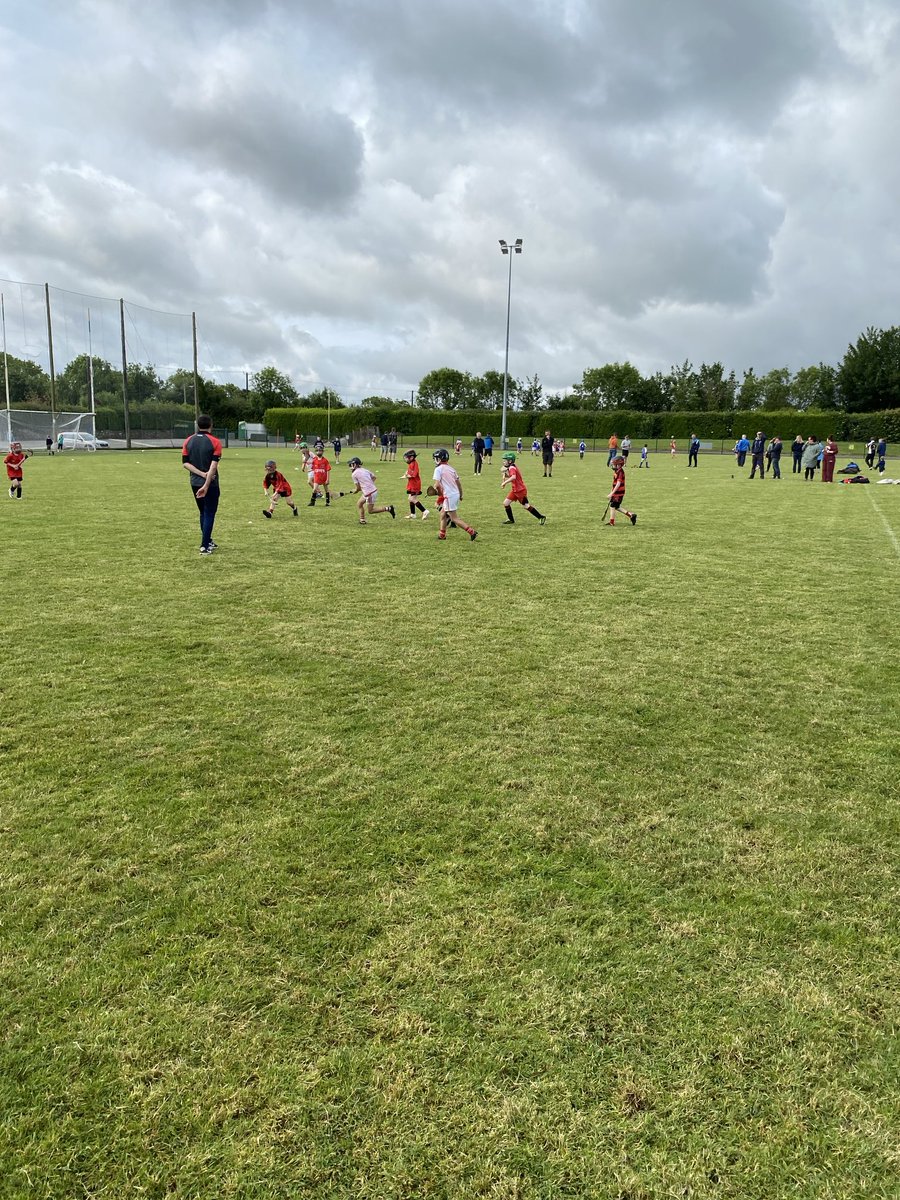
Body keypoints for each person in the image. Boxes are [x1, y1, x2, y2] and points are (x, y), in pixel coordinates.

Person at [182, 414, 221, 554]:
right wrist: (206, 483)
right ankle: (204, 546)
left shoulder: (188, 440)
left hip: (194, 482)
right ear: (211, 425)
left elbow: (185, 464)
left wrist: (201, 474)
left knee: (203, 512)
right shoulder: (215, 442)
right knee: (209, 512)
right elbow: (213, 466)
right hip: (211, 483)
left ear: (198, 425)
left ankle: (208, 540)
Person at [432, 448, 477, 541]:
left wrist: (436, 492)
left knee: (454, 518)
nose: (435, 460)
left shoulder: (438, 469)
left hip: (449, 496)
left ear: (439, 459)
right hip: (454, 494)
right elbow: (458, 484)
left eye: (436, 458)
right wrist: (460, 495)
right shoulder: (451, 469)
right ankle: (442, 535)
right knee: (443, 514)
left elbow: (437, 485)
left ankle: (472, 532)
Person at [499, 452, 546, 527]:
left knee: (526, 506)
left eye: (505, 460)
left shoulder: (511, 468)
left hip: (520, 491)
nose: (503, 462)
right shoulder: (511, 467)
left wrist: (504, 483)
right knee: (506, 503)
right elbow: (513, 476)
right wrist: (505, 475)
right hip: (515, 490)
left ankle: (541, 517)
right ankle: (511, 519)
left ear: (510, 461)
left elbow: (513, 477)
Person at [346, 456, 395, 524]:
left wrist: (356, 491)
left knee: (370, 511)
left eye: (351, 464)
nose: (350, 466)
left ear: (355, 464)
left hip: (370, 493)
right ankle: (362, 519)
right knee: (359, 504)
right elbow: (374, 477)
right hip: (369, 491)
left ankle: (389, 508)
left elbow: (358, 488)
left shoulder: (354, 474)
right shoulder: (365, 470)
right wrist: (367, 485)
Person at [605, 456, 636, 526]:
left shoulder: (620, 472)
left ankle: (611, 522)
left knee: (612, 506)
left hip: (618, 493)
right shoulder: (617, 471)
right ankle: (631, 515)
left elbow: (618, 484)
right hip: (617, 492)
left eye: (614, 464)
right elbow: (614, 483)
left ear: (619, 464)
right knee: (616, 507)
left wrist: (612, 494)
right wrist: (611, 492)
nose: (613, 466)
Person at [401, 449, 429, 520]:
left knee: (412, 498)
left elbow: (413, 474)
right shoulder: (411, 464)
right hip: (412, 484)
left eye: (407, 458)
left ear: (411, 457)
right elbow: (409, 472)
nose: (406, 459)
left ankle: (424, 511)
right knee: (410, 499)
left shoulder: (414, 464)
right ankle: (413, 514)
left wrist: (406, 476)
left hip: (415, 484)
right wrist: (406, 474)